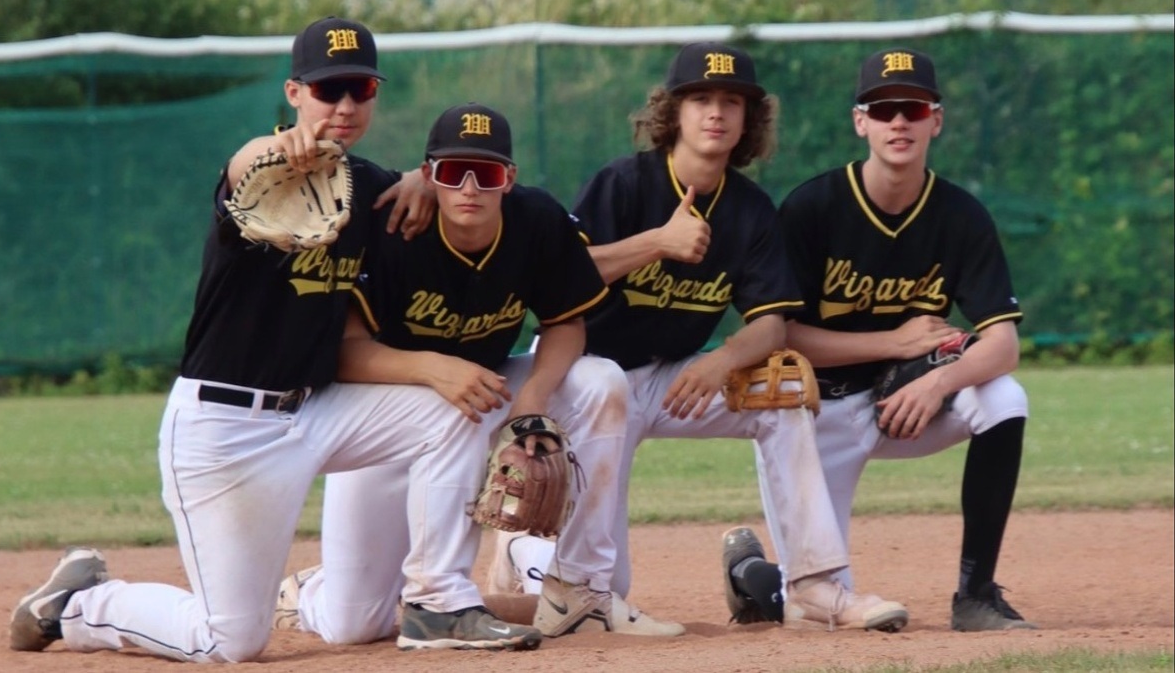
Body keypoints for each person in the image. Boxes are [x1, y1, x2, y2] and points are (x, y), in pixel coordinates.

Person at [7, 16, 454, 663]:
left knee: (450, 406)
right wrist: (271, 150)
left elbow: (443, 190)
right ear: (295, 92)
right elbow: (239, 166)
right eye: (329, 90)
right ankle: (79, 604)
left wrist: (424, 176)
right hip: (225, 426)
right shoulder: (260, 175)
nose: (347, 106)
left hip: (318, 413)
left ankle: (436, 598)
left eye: (361, 88)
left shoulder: (373, 186)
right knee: (230, 641)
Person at [488, 42, 908, 632]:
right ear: (674, 113)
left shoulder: (750, 209)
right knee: (607, 589)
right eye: (701, 99)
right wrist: (657, 242)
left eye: (732, 101)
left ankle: (814, 586)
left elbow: (770, 320)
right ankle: (527, 556)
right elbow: (562, 281)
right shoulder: (625, 184)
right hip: (586, 380)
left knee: (779, 393)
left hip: (671, 378)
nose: (717, 112)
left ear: (749, 119)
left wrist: (724, 361)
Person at [275, 101, 684, 642]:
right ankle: (309, 590)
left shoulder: (536, 222)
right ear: (428, 177)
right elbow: (344, 354)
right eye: (451, 172)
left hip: (483, 392)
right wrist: (433, 369)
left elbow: (566, 323)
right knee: (353, 624)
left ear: (508, 179)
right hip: (386, 411)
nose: (469, 187)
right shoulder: (395, 233)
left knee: (601, 381)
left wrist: (533, 396)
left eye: (486, 173)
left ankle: (580, 590)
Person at [739, 47, 1035, 632]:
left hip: (908, 405)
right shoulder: (813, 207)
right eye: (883, 109)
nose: (898, 121)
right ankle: (752, 577)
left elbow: (1003, 343)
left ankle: (975, 594)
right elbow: (780, 335)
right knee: (817, 610)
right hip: (814, 414)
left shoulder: (961, 215)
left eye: (912, 108)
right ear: (861, 122)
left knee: (1005, 397)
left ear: (935, 120)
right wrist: (895, 343)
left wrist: (941, 382)